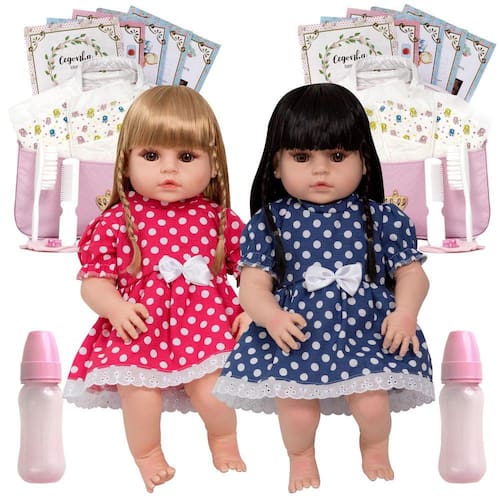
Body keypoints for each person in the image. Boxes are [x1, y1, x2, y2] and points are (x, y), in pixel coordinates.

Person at [213, 83, 434, 492]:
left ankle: (375, 447)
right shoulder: (270, 222)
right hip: (295, 334)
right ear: (276, 165)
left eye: (337, 156)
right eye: (302, 157)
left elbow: (411, 273)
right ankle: (301, 457)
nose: (320, 170)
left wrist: (406, 312)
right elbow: (252, 285)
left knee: (373, 406)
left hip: (366, 331)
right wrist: (271, 316)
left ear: (363, 161)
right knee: (297, 414)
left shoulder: (383, 218)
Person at [64, 85, 247, 493]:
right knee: (140, 397)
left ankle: (223, 438)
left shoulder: (221, 220)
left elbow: (252, 272)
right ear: (126, 163)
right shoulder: (117, 221)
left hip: (205, 327)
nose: (169, 169)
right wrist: (114, 308)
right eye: (151, 156)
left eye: (186, 157)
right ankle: (148, 455)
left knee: (213, 394)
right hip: (140, 329)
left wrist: (251, 308)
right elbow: (94, 282)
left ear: (214, 165)